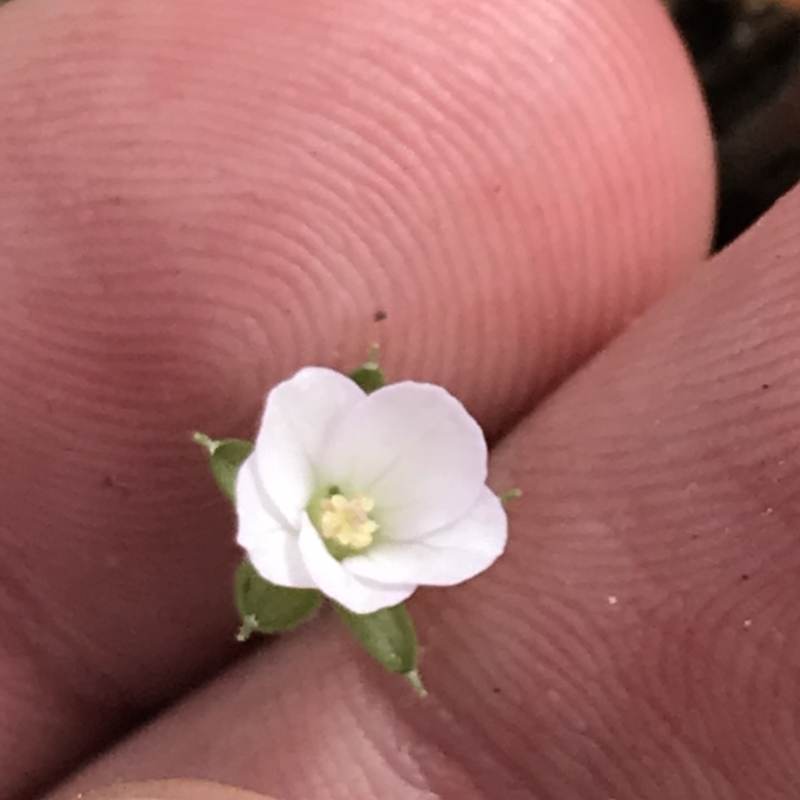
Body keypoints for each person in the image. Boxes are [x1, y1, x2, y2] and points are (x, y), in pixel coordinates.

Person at [0, 0, 795, 798]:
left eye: (344, 519)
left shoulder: (376, 533)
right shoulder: (295, 505)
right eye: (341, 517)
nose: (344, 519)